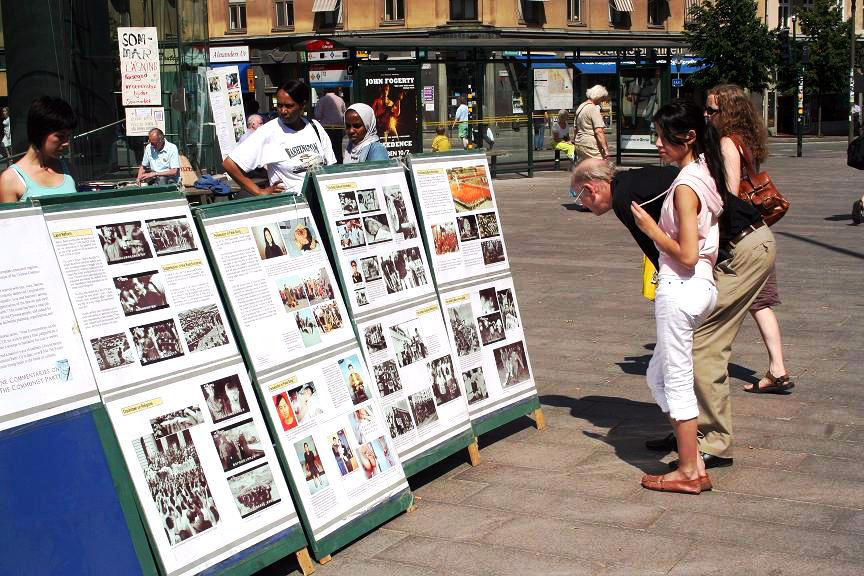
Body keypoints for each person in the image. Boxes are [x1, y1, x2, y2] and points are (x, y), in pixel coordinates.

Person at [574, 148, 776, 474]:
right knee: (684, 347)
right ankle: (689, 433)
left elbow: (661, 253)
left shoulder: (626, 197)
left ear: (592, 188)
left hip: (741, 248)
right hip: (739, 244)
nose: (580, 202)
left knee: (701, 346)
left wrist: (674, 294)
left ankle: (712, 443)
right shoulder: (633, 182)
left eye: (578, 195)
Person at [707, 84, 794, 394]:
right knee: (761, 301)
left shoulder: (728, 143)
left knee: (722, 300)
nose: (707, 115)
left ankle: (705, 361)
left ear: (727, 112)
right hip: (759, 231)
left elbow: (730, 194)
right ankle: (777, 368)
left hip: (741, 235)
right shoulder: (746, 139)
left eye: (712, 110)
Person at [225, 79, 336, 196]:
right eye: (279, 105)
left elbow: (331, 166)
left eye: (289, 106)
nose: (283, 111)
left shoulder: (315, 127)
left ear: (302, 105)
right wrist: (259, 191)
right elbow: (230, 164)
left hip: (321, 200)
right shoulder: (268, 132)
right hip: (291, 204)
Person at [0, 96, 77, 202]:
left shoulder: (69, 170)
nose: (66, 143)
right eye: (60, 136)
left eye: (68, 136)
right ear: (39, 132)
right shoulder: (10, 179)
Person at [573, 85, 610, 161]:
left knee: (586, 165)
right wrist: (605, 149)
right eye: (602, 98)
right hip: (590, 144)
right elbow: (599, 131)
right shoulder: (593, 108)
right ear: (598, 96)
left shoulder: (581, 106)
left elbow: (575, 128)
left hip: (579, 142)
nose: (602, 101)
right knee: (599, 165)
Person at [314, 88, 347, 163]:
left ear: (324, 91)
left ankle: (330, 164)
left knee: (327, 149)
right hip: (338, 128)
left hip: (326, 128)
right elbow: (344, 113)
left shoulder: (321, 100)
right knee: (338, 149)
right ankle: (339, 164)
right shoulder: (340, 99)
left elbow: (318, 115)